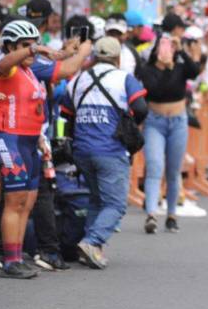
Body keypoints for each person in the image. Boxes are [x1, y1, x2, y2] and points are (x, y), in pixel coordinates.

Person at [0, 20, 87, 279]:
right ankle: (9, 261)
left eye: (34, 43)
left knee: (27, 202)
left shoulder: (29, 71)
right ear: (11, 46)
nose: (32, 49)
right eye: (25, 44)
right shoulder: (7, 68)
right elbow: (2, 64)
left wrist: (41, 139)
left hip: (30, 142)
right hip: (9, 140)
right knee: (14, 201)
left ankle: (17, 255)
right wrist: (35, 49)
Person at [61, 37, 147, 267]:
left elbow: (65, 114)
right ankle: (92, 241)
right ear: (118, 58)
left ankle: (90, 250)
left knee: (97, 200)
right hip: (110, 149)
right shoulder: (124, 78)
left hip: (81, 150)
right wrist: (129, 125)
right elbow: (140, 107)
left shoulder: (77, 80)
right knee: (116, 204)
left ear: (94, 57)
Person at [137, 31, 199, 234]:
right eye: (162, 46)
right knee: (155, 165)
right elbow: (157, 89)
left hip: (178, 121)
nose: (166, 50)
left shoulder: (180, 67)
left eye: (169, 46)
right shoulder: (148, 70)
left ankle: (171, 215)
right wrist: (165, 67)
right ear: (156, 50)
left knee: (173, 171)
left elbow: (194, 71)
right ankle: (152, 213)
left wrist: (181, 51)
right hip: (155, 122)